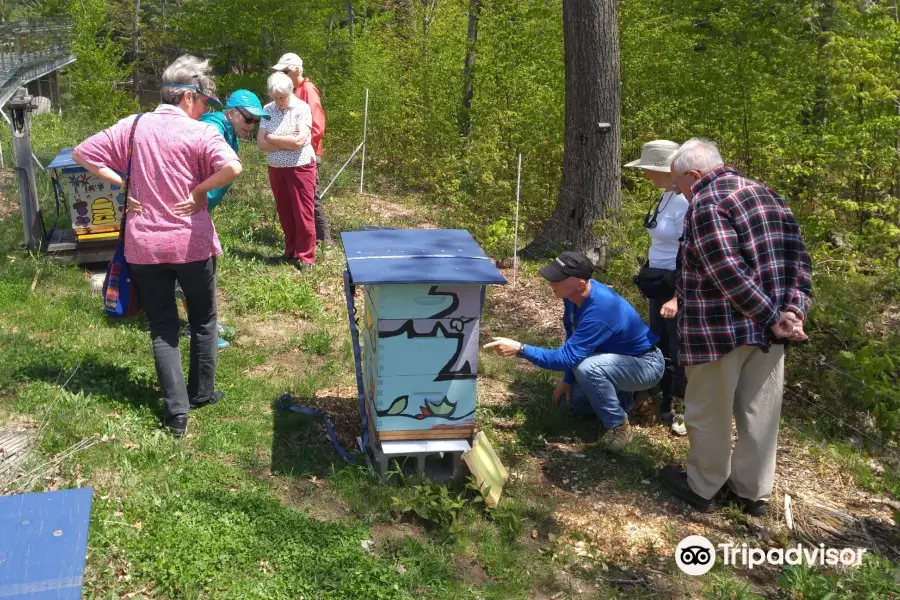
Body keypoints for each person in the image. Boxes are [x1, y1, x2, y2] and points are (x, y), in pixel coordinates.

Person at [72, 55, 243, 437]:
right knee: (202, 318)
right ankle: (203, 393)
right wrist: (199, 191)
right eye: (202, 103)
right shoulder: (200, 134)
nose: (203, 111)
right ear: (187, 98)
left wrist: (122, 184)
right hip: (190, 244)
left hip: (144, 245)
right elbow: (232, 167)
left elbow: (83, 153)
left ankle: (176, 412)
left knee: (163, 325)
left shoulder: (132, 127)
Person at [660, 139, 812, 516]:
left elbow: (726, 272)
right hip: (770, 334)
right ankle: (752, 494)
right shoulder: (769, 195)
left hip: (719, 333)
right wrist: (794, 312)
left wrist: (773, 316)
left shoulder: (707, 202)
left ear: (694, 175)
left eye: (677, 183)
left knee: (708, 411)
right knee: (759, 414)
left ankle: (703, 487)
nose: (677, 190)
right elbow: (800, 263)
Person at [129, 90, 270, 350]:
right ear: (232, 113)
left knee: (202, 270)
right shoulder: (212, 126)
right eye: (249, 120)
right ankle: (199, 327)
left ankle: (207, 323)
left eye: (256, 122)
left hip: (198, 210)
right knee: (192, 270)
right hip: (183, 213)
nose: (252, 127)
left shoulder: (228, 131)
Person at [484, 252, 665, 451]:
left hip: (644, 364)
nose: (551, 282)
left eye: (558, 279)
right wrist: (568, 380)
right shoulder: (572, 297)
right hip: (612, 360)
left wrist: (521, 349)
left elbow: (566, 357)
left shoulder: (601, 309)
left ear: (580, 283)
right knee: (569, 405)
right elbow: (573, 338)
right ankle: (629, 400)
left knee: (588, 369)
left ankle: (618, 425)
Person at [625, 140, 689, 435]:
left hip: (679, 287)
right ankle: (658, 402)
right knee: (658, 343)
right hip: (658, 283)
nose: (646, 175)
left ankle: (682, 409)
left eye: (648, 169)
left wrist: (678, 297)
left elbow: (692, 253)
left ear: (663, 169)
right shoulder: (665, 196)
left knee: (679, 349)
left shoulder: (686, 202)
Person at [257, 71, 317, 269]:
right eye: (275, 98)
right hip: (276, 168)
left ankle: (306, 256)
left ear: (291, 91)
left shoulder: (302, 108)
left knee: (303, 211)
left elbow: (299, 141)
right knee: (285, 211)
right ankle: (290, 251)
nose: (279, 102)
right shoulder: (267, 109)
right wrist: (285, 142)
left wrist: (272, 138)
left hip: (300, 167)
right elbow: (261, 143)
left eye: (282, 97)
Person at [271, 52, 331, 246]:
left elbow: (317, 126)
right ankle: (304, 239)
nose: (283, 74)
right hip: (293, 154)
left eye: (285, 70)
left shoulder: (308, 90)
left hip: (307, 154)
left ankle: (323, 239)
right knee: (300, 197)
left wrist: (304, 148)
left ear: (296, 70)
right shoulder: (294, 90)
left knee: (310, 196)